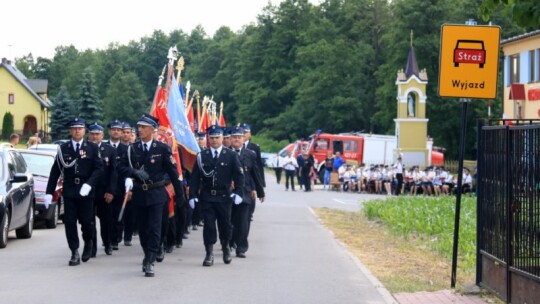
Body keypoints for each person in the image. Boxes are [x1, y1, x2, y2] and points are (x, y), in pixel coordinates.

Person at [117, 114, 185, 277]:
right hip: (140, 193)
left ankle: (150, 259)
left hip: (156, 193)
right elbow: (120, 167)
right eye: (139, 127)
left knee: (155, 228)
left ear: (152, 130)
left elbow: (173, 173)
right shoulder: (132, 149)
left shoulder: (162, 149)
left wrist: (180, 194)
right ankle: (148, 252)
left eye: (143, 127)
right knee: (143, 229)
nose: (139, 130)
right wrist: (133, 172)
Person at [44, 118, 104, 266]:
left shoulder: (92, 148)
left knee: (87, 222)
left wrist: (89, 184)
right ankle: (74, 251)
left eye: (80, 128)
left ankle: (89, 241)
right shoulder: (63, 148)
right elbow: (55, 171)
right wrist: (49, 192)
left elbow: (99, 168)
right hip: (70, 189)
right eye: (74, 128)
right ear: (70, 131)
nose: (77, 131)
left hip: (86, 190)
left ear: (84, 131)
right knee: (70, 222)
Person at [188, 125, 244, 267]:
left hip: (224, 197)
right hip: (207, 196)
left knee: (225, 226)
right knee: (209, 226)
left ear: (222, 138)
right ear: (208, 139)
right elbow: (195, 177)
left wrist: (238, 192)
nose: (214, 140)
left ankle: (226, 247)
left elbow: (239, 176)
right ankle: (209, 252)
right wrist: (193, 195)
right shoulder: (202, 156)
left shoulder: (231, 155)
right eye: (211, 138)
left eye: (217, 137)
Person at [229, 126, 265, 258]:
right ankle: (229, 242)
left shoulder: (250, 154)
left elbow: (255, 173)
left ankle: (241, 247)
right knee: (229, 221)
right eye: (234, 137)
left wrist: (259, 191)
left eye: (239, 137)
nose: (237, 139)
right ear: (230, 139)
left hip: (245, 191)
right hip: (228, 193)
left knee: (244, 221)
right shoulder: (225, 153)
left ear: (244, 139)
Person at [87, 122, 117, 257]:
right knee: (89, 220)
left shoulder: (109, 150)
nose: (94, 137)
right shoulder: (84, 149)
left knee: (107, 221)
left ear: (102, 135)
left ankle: (108, 243)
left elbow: (113, 172)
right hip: (88, 191)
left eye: (97, 134)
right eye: (92, 134)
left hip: (104, 191)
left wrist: (111, 191)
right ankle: (91, 247)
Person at [107, 120, 130, 249]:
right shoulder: (103, 148)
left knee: (118, 215)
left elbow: (129, 168)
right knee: (107, 215)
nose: (116, 131)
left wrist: (129, 184)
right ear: (109, 131)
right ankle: (108, 239)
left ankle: (115, 239)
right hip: (106, 188)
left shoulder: (127, 149)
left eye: (118, 130)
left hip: (121, 187)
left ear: (121, 133)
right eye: (113, 129)